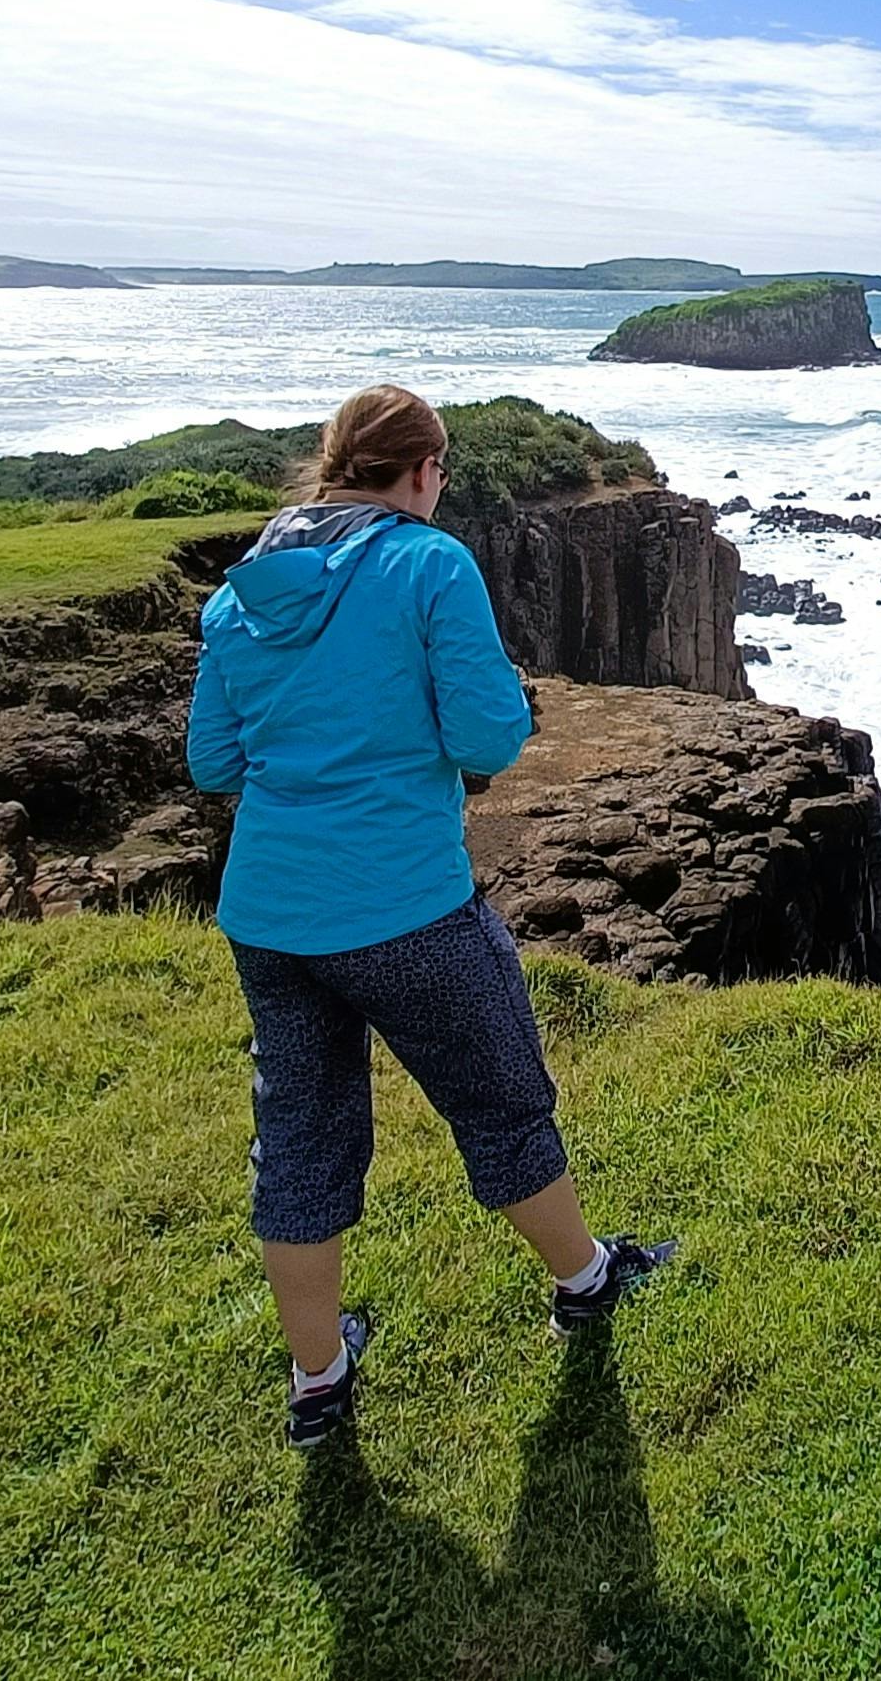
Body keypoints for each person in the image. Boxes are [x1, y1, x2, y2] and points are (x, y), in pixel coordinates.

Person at [187, 384, 675, 1449]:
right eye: (440, 468)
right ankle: (584, 1279)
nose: (440, 486)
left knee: (301, 1138)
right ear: (419, 471)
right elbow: (491, 735)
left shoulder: (237, 597)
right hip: (403, 899)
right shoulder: (426, 562)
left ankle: (318, 1376)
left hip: (269, 913)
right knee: (499, 1096)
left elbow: (213, 760)